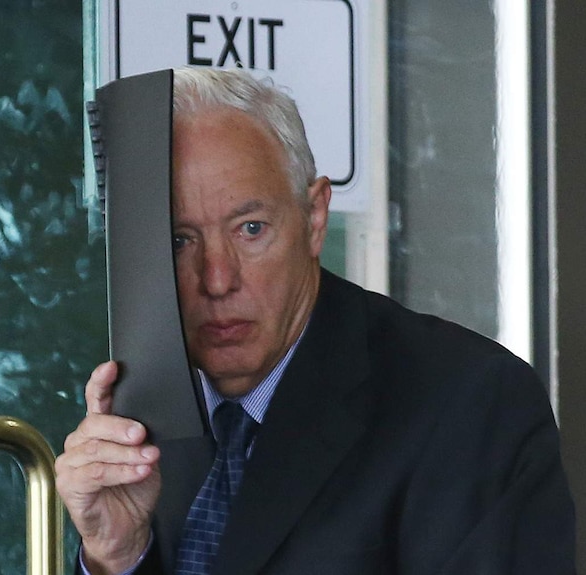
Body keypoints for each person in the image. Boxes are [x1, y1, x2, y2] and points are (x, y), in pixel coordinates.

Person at [54, 67, 576, 574]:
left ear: (315, 218)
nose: (216, 279)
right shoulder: (139, 420)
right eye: (180, 240)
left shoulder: (468, 402)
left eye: (250, 229)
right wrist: (115, 559)